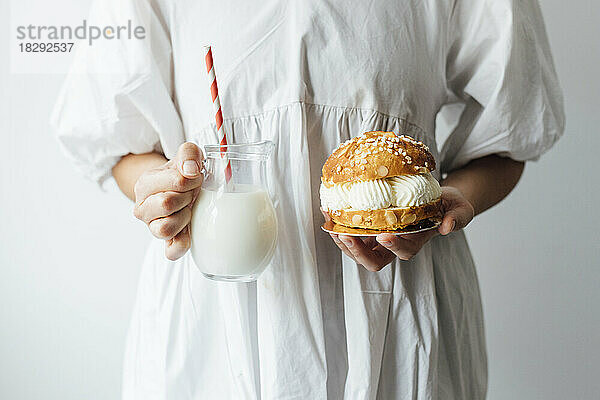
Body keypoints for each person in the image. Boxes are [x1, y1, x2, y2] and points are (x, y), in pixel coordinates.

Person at [52, 0, 564, 398]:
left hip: (400, 307)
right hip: (216, 313)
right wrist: (160, 186)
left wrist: (445, 204)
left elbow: (510, 136)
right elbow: (120, 143)